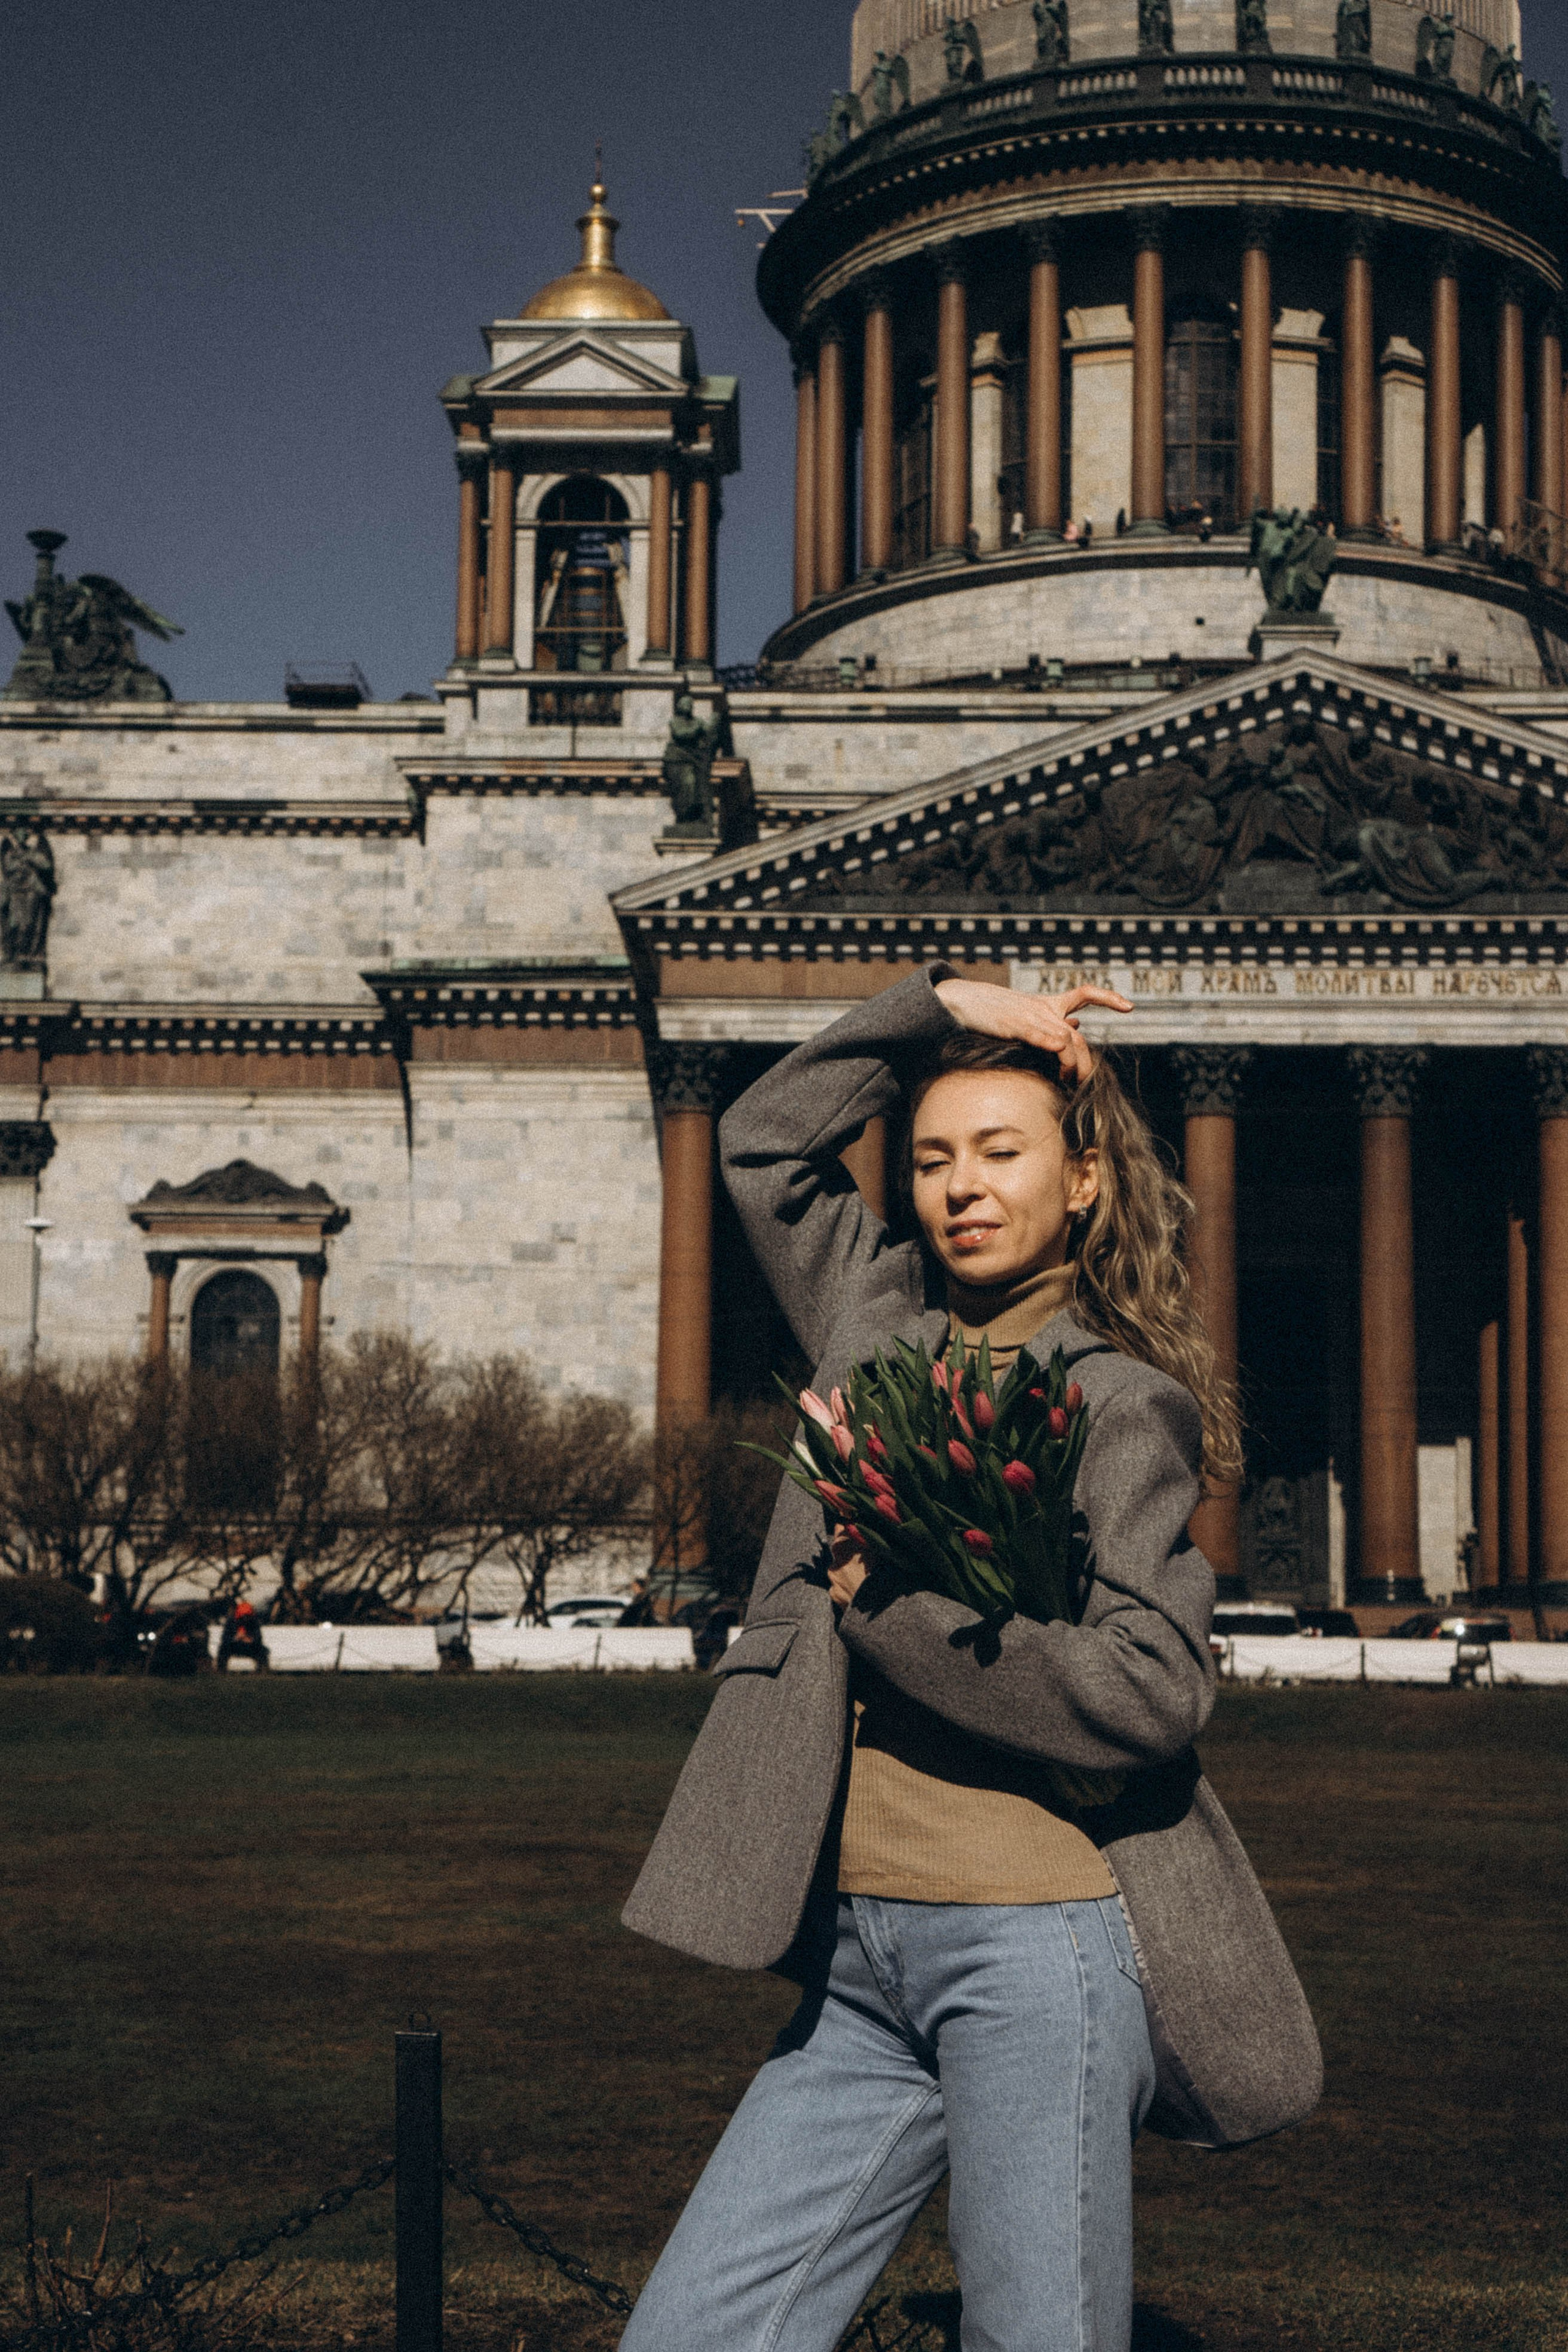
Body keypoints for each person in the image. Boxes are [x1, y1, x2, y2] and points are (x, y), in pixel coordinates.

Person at [619, 970, 1321, 2352]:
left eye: (1000, 1153)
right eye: (933, 1158)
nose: (958, 1186)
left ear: (1082, 1187)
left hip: (1033, 1951)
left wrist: (888, 1605)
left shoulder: (1119, 1405)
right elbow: (762, 1136)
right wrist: (939, 1007)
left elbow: (1149, 1689)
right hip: (854, 1954)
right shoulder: (871, 1319)